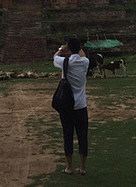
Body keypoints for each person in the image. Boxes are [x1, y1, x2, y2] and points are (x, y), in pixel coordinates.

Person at [53, 37, 90, 175]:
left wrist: (61, 49)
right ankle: (82, 167)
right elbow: (83, 55)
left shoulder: (64, 62)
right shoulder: (85, 62)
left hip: (67, 106)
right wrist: (76, 47)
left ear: (69, 47)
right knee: (82, 136)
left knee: (67, 136)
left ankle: (69, 167)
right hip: (81, 105)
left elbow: (55, 57)